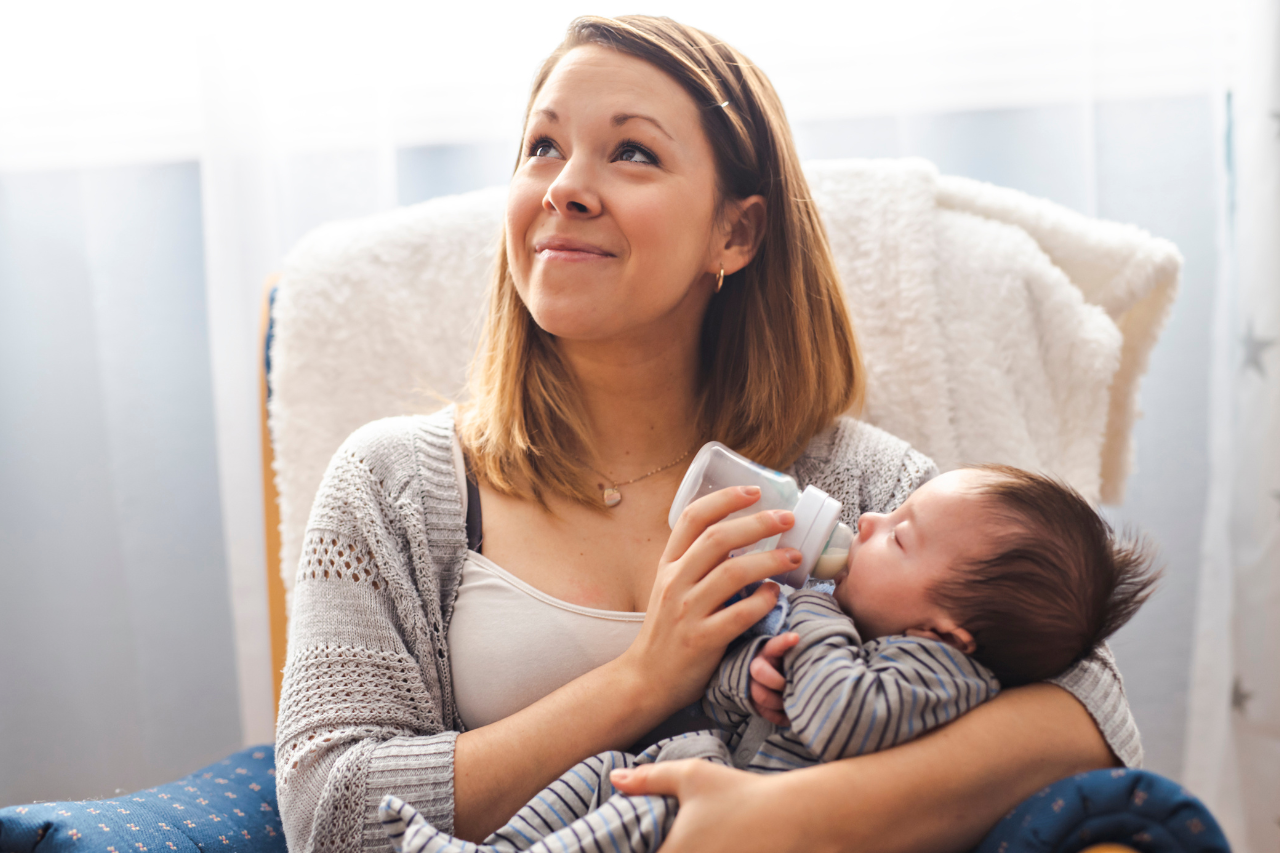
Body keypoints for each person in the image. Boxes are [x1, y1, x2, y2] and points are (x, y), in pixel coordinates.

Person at [275, 15, 1141, 853]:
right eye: (542, 146)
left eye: (632, 152)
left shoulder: (864, 488)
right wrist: (643, 678)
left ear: (736, 231)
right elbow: (329, 814)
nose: (564, 186)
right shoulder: (391, 483)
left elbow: (1091, 715)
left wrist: (784, 819)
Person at [373, 465, 1159, 853]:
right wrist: (746, 679)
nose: (870, 519)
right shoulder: (872, 626)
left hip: (744, 807)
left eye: (900, 535)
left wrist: (814, 604)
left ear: (946, 630)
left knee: (646, 809)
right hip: (718, 762)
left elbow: (841, 713)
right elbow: (748, 698)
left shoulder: (940, 670)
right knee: (608, 772)